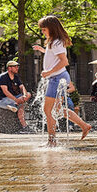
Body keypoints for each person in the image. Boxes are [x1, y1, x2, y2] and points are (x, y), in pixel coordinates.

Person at [32, 15, 91, 146]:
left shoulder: (56, 42)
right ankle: (84, 125)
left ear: (51, 29)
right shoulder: (53, 42)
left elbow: (64, 61)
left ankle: (52, 141)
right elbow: (53, 57)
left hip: (56, 78)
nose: (42, 32)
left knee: (48, 110)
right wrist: (43, 50)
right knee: (57, 110)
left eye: (44, 29)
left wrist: (48, 72)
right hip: (58, 77)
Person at [0, 60, 31, 129]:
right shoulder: (3, 77)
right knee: (21, 105)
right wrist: (16, 99)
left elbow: (22, 87)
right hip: (3, 99)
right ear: (9, 68)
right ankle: (24, 126)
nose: (17, 68)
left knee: (28, 94)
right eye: (15, 66)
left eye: (17, 66)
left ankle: (13, 105)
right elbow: (5, 91)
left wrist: (25, 95)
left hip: (14, 98)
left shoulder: (16, 77)